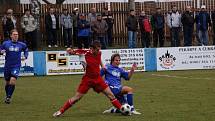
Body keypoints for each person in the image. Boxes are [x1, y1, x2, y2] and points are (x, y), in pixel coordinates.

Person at [53, 40, 122, 117]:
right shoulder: (84, 53)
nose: (99, 51)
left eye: (99, 49)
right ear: (92, 49)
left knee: (111, 95)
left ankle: (122, 110)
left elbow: (99, 59)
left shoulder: (99, 53)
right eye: (97, 49)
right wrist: (69, 50)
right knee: (77, 98)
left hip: (98, 79)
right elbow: (71, 52)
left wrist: (103, 66)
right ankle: (60, 111)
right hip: (87, 80)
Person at [0, 29, 28, 104]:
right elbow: (1, 49)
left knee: (13, 81)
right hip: (7, 66)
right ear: (11, 35)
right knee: (7, 82)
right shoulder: (6, 43)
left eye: (17, 34)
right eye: (14, 34)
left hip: (16, 65)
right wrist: (1, 51)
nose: (16, 36)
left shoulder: (21, 44)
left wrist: (25, 56)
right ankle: (7, 95)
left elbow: (26, 49)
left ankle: (9, 97)